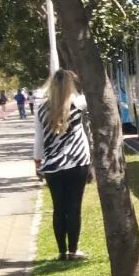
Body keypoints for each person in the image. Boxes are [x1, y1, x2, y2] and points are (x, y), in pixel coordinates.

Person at [34, 69, 91, 261]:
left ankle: (61, 251)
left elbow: (38, 139)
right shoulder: (78, 103)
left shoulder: (41, 108)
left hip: (53, 165)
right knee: (74, 206)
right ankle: (73, 251)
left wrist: (37, 162)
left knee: (59, 207)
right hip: (77, 162)